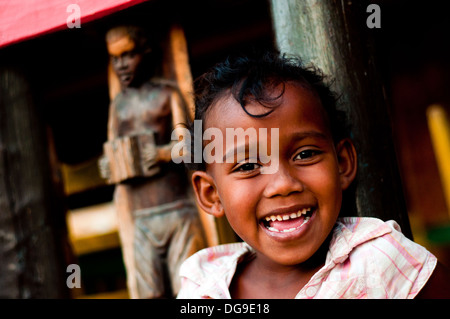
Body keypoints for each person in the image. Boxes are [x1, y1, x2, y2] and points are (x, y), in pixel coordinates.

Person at [176, 51, 450, 299]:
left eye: (305, 154)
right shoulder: (204, 285)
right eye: (248, 166)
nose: (283, 184)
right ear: (211, 194)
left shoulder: (379, 262)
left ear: (342, 163)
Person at [100, 25, 206, 299]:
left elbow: (189, 147)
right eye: (115, 58)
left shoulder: (166, 95)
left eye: (129, 55)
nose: (121, 65)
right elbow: (112, 148)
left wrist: (159, 153)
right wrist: (108, 165)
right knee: (149, 294)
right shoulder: (118, 106)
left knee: (189, 292)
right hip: (140, 219)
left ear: (146, 54)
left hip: (177, 212)